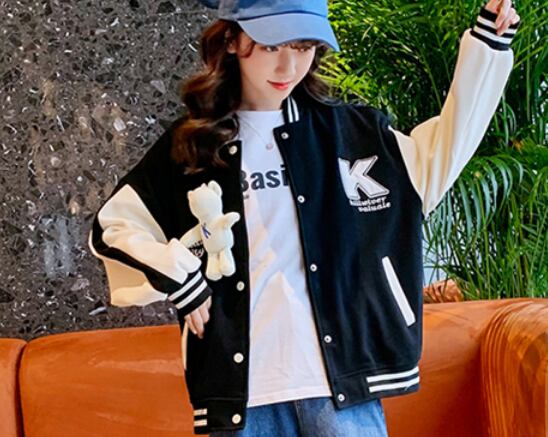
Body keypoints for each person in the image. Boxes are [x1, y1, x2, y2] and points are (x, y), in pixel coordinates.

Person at [87, 0, 520, 435]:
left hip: (341, 390)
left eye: (303, 46)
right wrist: (178, 274)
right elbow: (112, 228)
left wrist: (488, 45)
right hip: (241, 401)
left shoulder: (353, 135)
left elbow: (443, 152)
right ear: (232, 40)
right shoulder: (193, 146)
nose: (289, 66)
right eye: (271, 46)